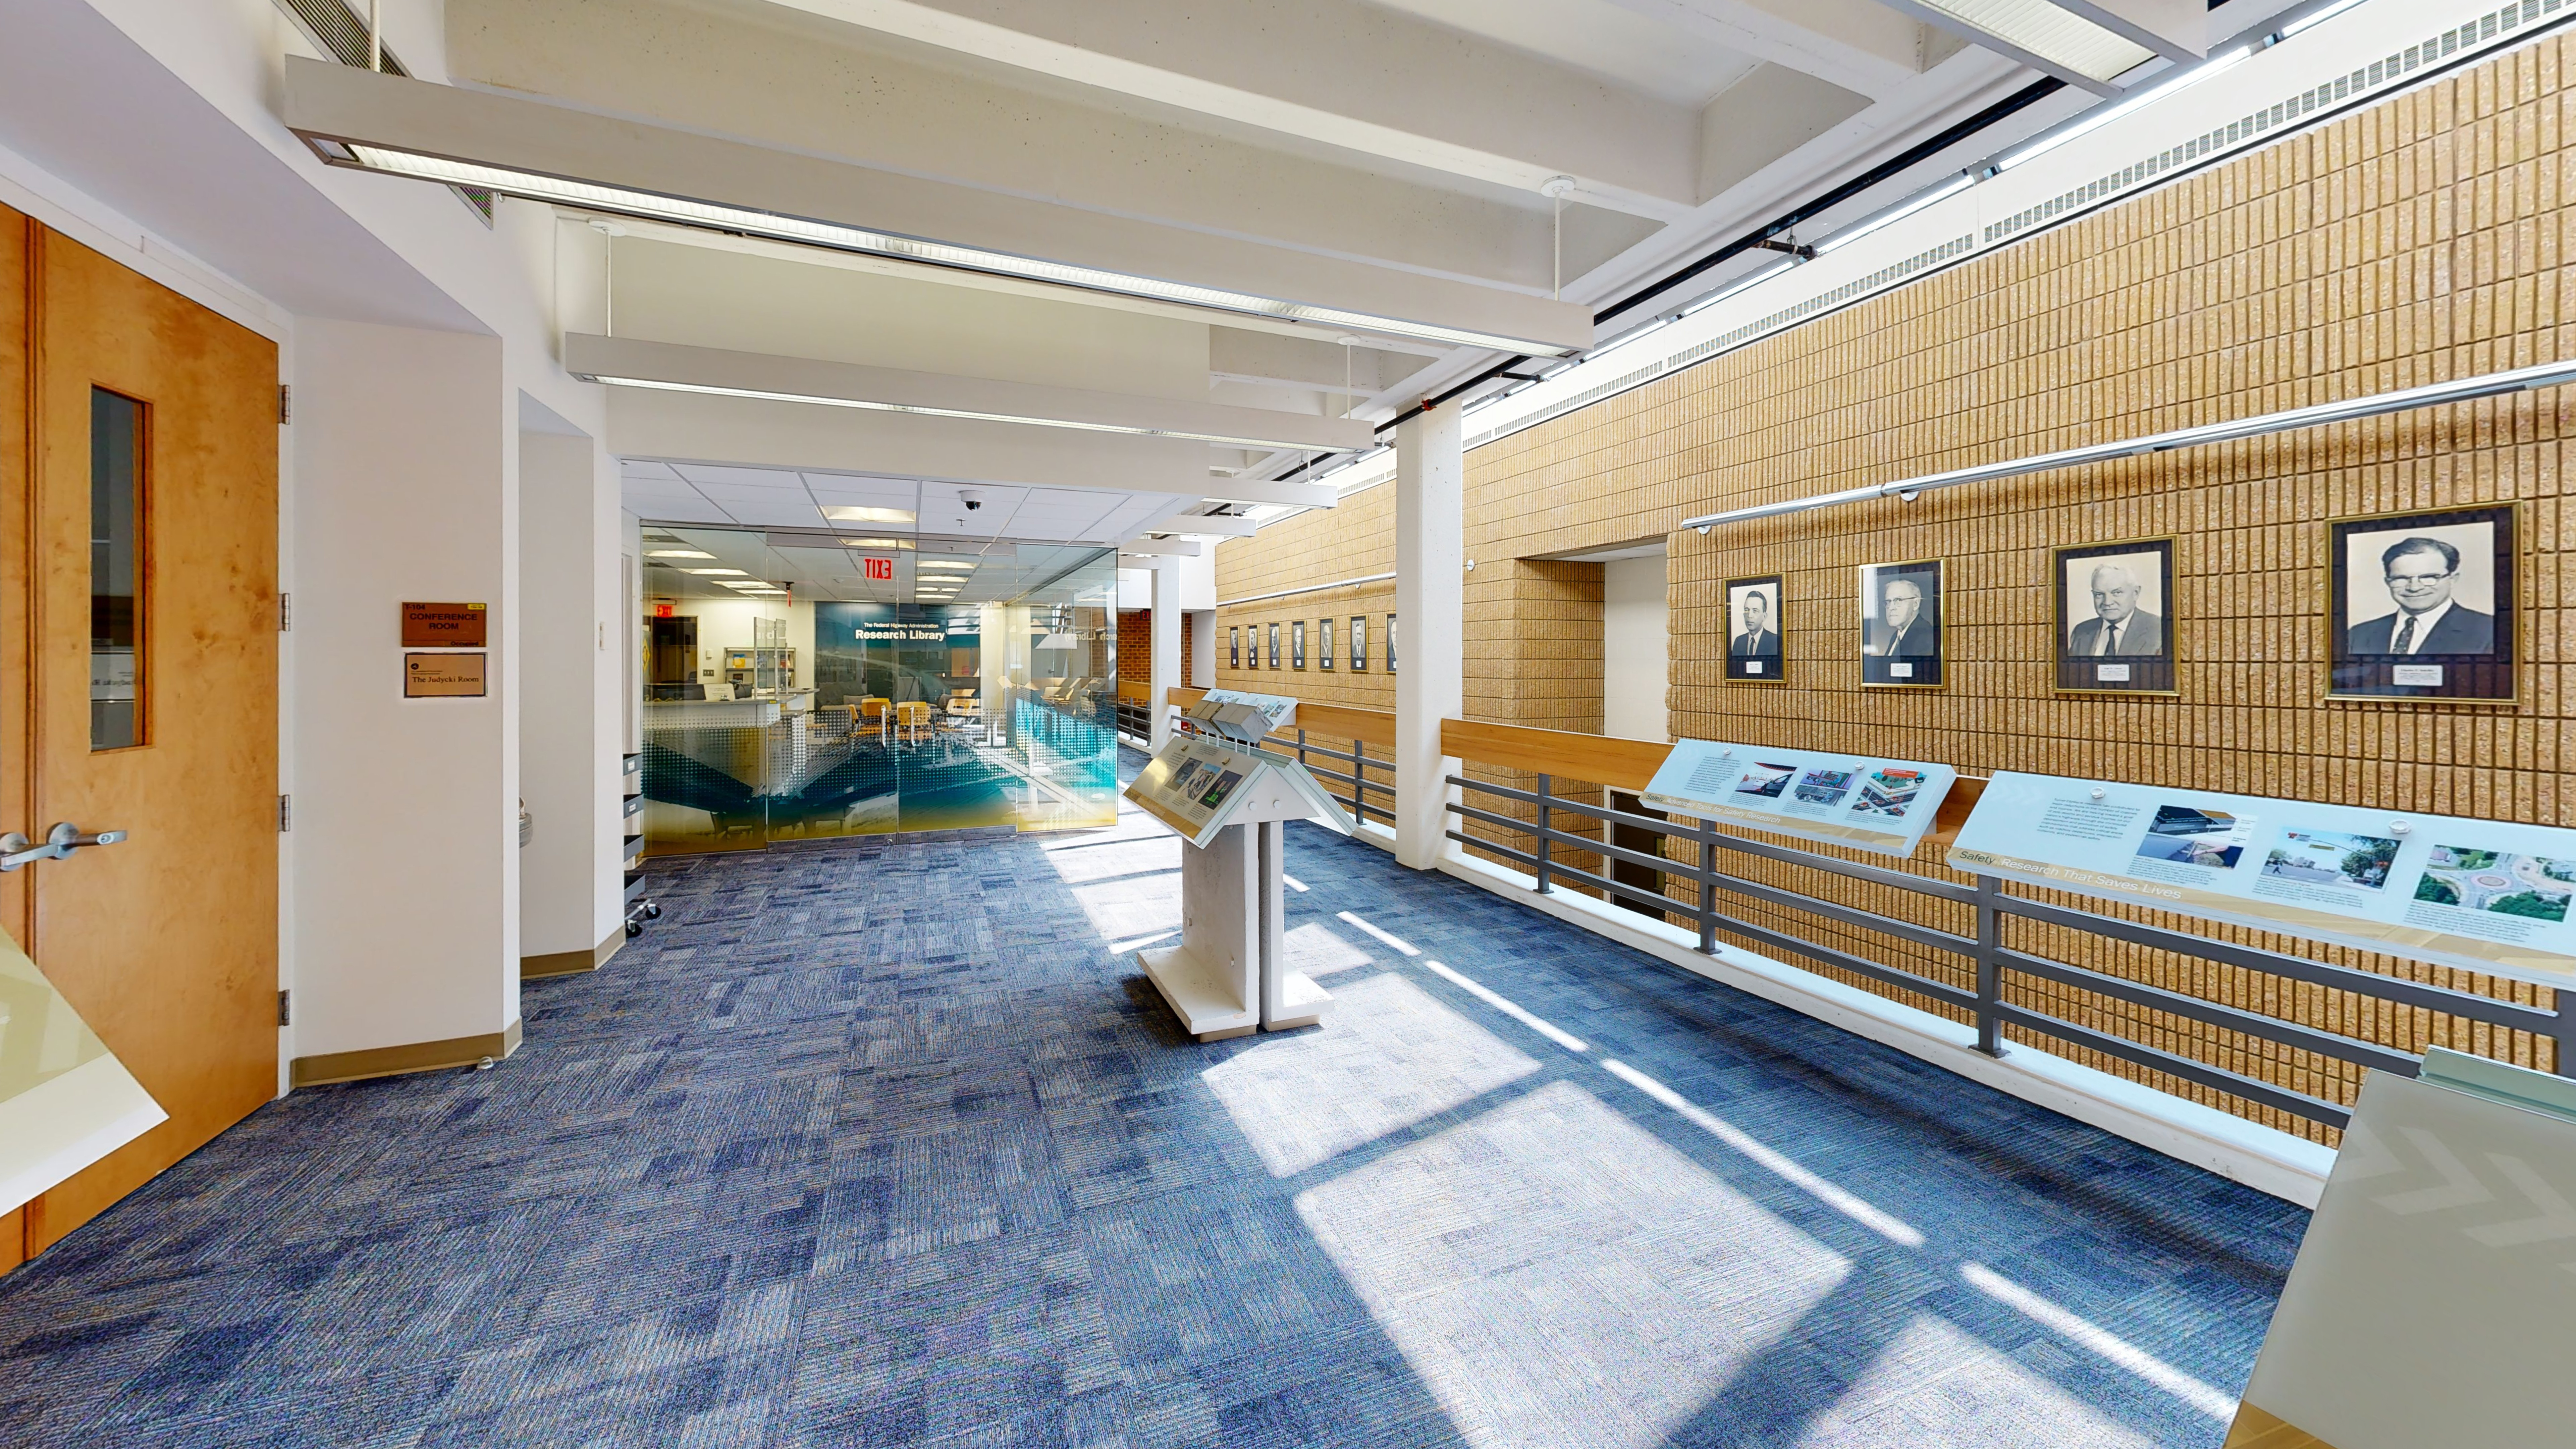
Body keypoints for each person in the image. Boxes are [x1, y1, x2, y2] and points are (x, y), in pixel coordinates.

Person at [2347, 536, 2493, 654]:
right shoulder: (2359, 635)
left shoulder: (2489, 631)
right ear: (2388, 582)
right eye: (2401, 578)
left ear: (2453, 579)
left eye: (2429, 577)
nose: (2414, 588)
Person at [2067, 562, 2164, 656]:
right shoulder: (2081, 631)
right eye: (2099, 595)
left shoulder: (2160, 630)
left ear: (2136, 593)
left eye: (2117, 593)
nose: (2107, 603)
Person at [1867, 577, 1934, 658]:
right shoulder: (1897, 636)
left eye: (1899, 600)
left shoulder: (1926, 636)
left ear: (1916, 604)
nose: (1891, 608)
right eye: (1888, 602)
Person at [1730, 589, 1779, 657]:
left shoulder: (1774, 641)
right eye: (1747, 610)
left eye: (1755, 611)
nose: (1750, 616)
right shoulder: (1739, 642)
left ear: (1764, 616)